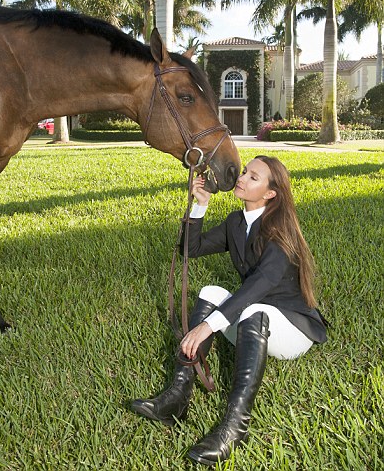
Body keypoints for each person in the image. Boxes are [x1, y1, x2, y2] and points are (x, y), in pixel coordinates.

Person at [131, 155, 328, 466]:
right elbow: (189, 250)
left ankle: (235, 427)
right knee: (211, 291)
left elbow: (256, 289)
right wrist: (200, 205)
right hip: (258, 321)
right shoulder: (237, 222)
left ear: (270, 193)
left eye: (253, 177)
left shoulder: (280, 232)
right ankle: (177, 398)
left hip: (292, 331)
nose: (242, 177)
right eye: (246, 171)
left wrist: (207, 326)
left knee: (251, 308)